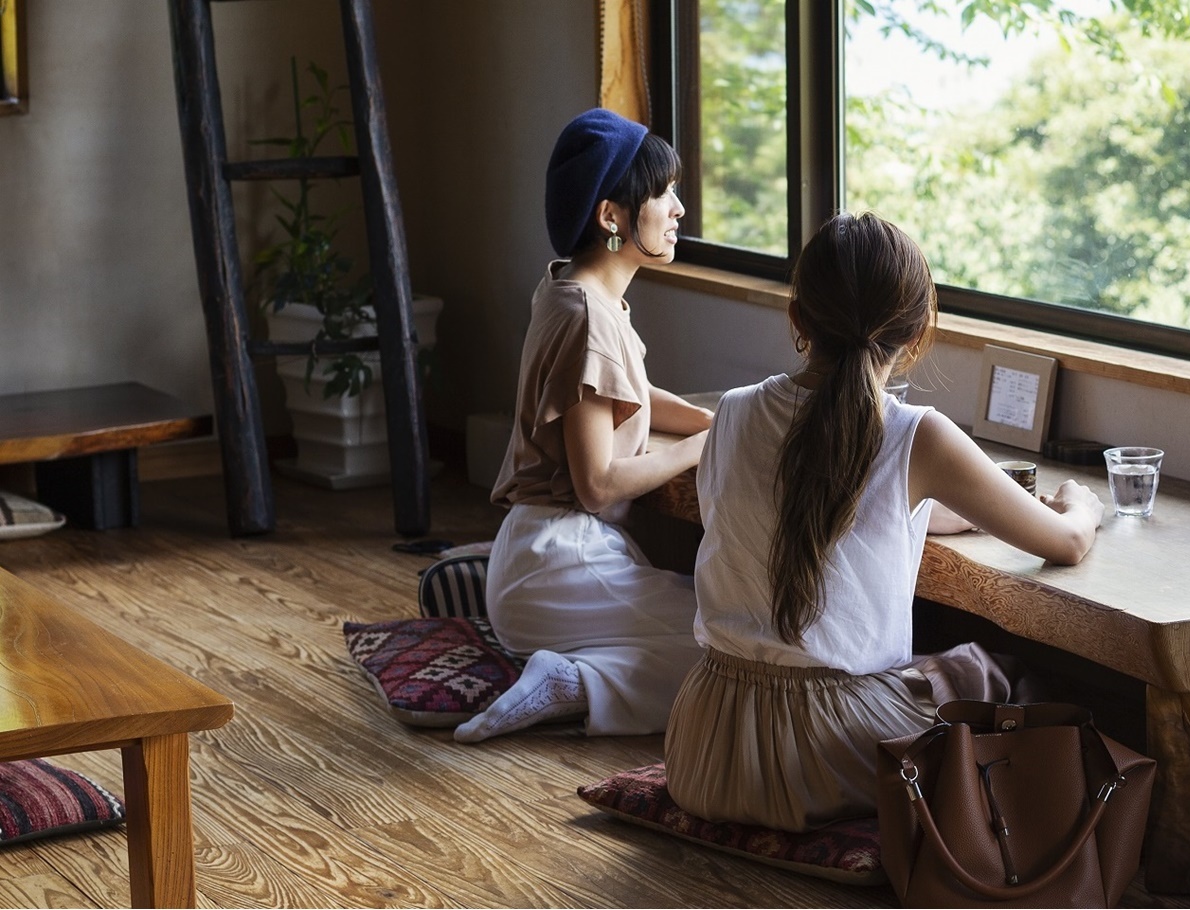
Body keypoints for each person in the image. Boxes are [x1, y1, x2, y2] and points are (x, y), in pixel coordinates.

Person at [662, 212, 1106, 830]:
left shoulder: (731, 414)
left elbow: (779, 517)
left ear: (798, 321)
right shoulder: (916, 433)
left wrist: (933, 512)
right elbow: (1067, 543)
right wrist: (1080, 502)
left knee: (935, 671)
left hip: (708, 748)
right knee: (991, 674)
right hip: (823, 761)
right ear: (919, 331)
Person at [454, 108, 712, 743]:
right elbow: (596, 484)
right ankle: (573, 682)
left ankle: (570, 672)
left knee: (725, 643)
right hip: (558, 565)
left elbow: (622, 389)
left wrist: (713, 416)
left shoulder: (572, 291)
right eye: (663, 194)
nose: (678, 209)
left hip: (540, 562)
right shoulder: (588, 317)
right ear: (612, 216)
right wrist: (708, 444)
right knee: (736, 655)